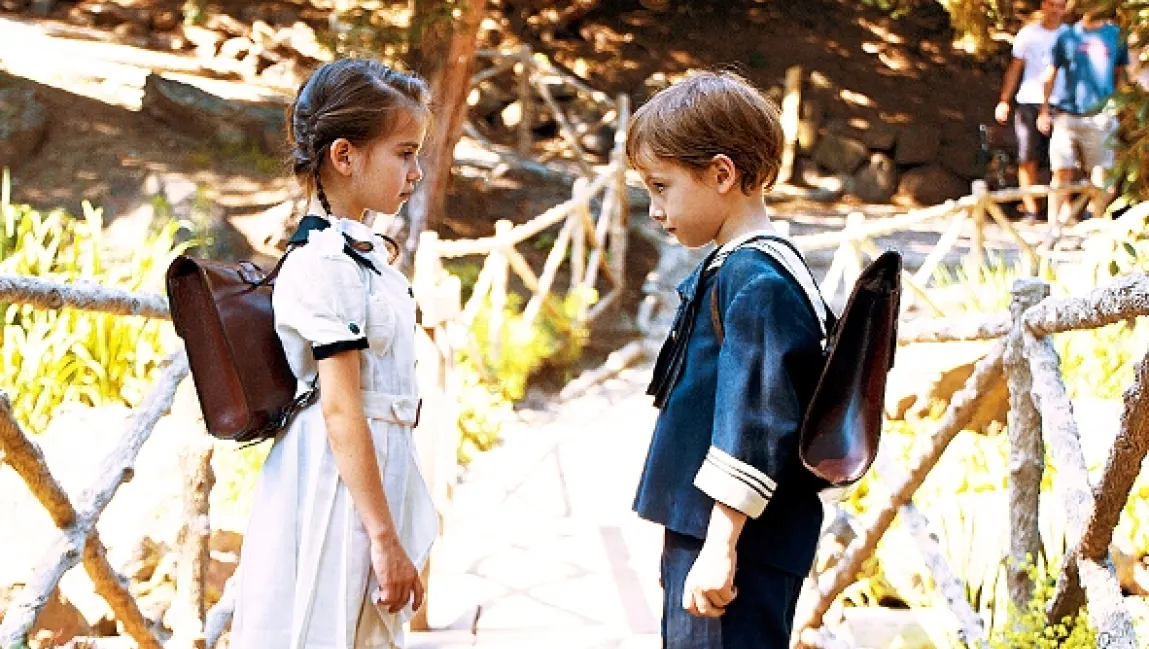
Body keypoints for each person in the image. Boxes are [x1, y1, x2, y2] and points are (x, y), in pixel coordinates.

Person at [229, 58, 437, 649]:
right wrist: (383, 537)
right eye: (404, 153)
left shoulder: (359, 256)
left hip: (371, 471)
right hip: (335, 482)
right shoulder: (323, 262)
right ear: (345, 156)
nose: (417, 171)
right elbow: (342, 408)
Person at [628, 71, 826, 648]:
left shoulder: (755, 278)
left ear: (721, 174)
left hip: (734, 545)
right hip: (716, 534)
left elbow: (754, 421)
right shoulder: (745, 266)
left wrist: (720, 545)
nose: (655, 210)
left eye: (661, 187)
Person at [1038, 5, 1132, 235]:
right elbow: (1050, 73)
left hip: (1101, 116)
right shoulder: (1067, 35)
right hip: (1067, 116)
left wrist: (1123, 107)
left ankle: (1093, 226)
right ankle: (1054, 228)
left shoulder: (1115, 35)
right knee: (1061, 172)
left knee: (1102, 178)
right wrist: (1044, 109)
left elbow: (1122, 75)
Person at [995, 0, 1068, 221]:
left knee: (1063, 160)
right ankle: (1031, 209)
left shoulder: (1070, 35)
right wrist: (1004, 100)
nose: (1055, 10)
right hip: (1029, 100)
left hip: (1061, 103)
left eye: (1060, 6)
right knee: (1027, 156)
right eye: (1052, 5)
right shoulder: (1028, 34)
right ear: (1044, 5)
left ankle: (1061, 210)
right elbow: (1015, 68)